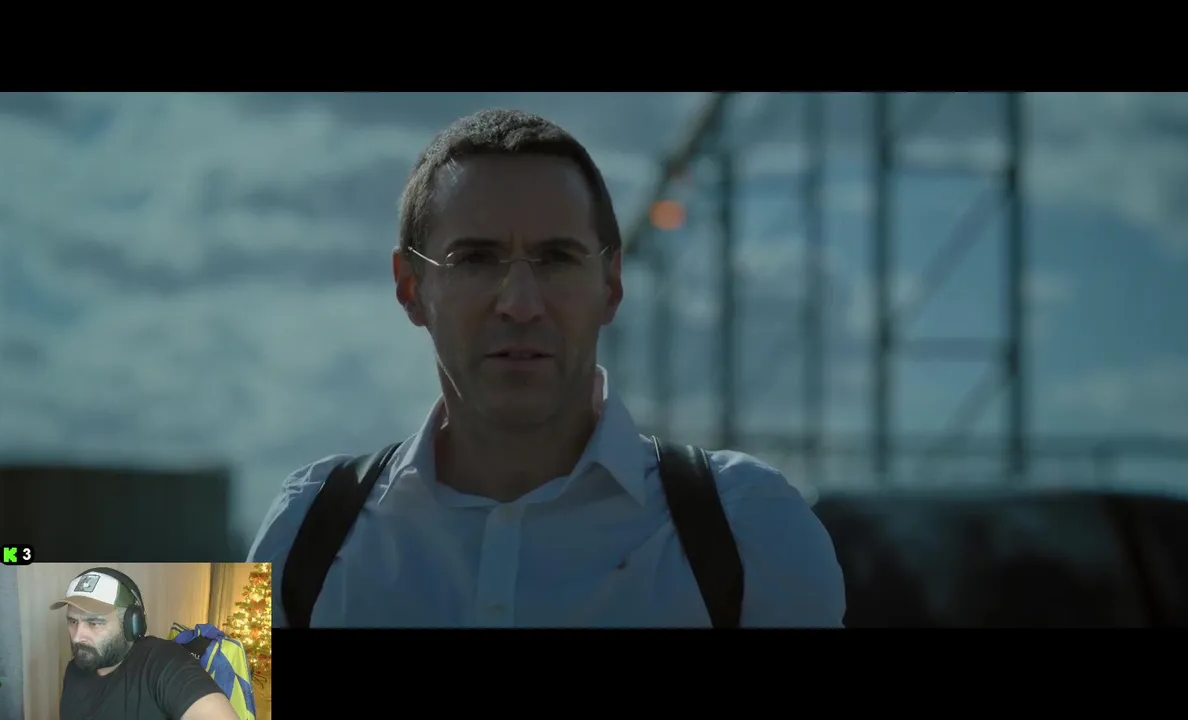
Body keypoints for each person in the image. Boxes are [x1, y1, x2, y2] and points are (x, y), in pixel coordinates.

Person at [248, 108, 846, 627]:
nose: (520, 303)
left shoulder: (753, 525)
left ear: (611, 285)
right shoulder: (297, 525)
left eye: (557, 258)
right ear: (410, 288)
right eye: (476, 259)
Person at [52, 568, 239, 720]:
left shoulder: (164, 662)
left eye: (94, 623)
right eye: (73, 621)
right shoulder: (75, 669)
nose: (77, 637)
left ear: (132, 625)